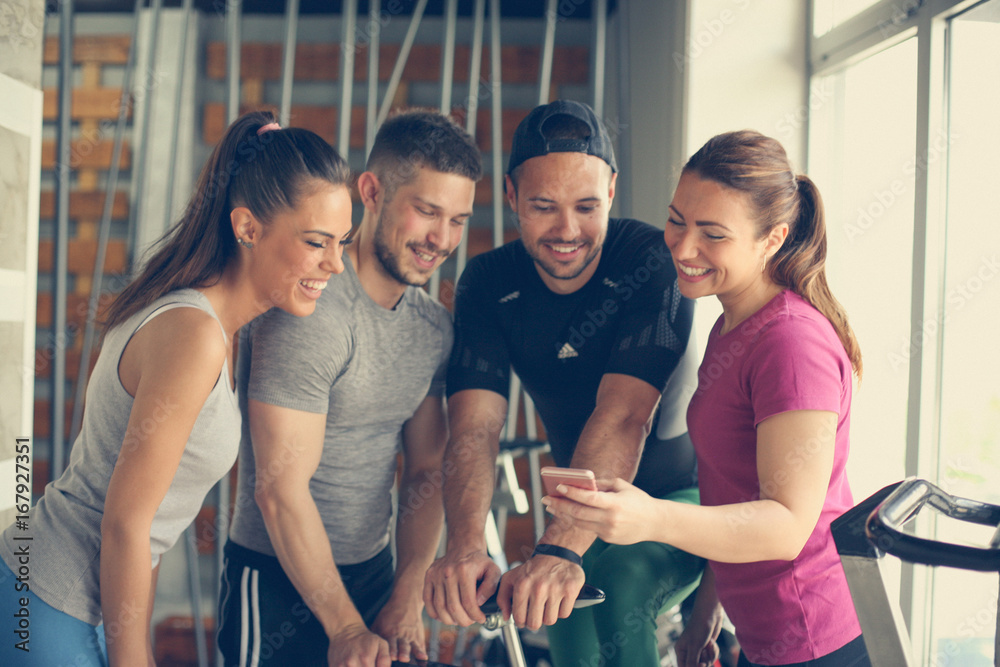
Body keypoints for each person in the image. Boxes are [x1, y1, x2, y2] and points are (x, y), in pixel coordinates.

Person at [0, 110, 353, 666]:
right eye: (316, 242)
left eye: (342, 242)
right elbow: (126, 522)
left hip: (71, 601)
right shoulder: (194, 336)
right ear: (248, 227)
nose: (334, 264)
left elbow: (148, 525)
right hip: (49, 600)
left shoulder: (214, 327)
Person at [544, 130, 871, 667]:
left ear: (773, 239)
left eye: (712, 234)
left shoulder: (791, 344)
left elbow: (787, 526)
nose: (683, 246)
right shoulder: (732, 325)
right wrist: (705, 611)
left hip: (818, 640)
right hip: (761, 636)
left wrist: (650, 519)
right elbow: (734, 489)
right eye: (677, 220)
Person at [423, 99, 703, 667]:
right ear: (510, 197)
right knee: (558, 619)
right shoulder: (488, 281)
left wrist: (556, 548)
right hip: (581, 512)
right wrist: (465, 547)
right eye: (544, 207)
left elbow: (624, 414)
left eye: (587, 206)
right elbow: (474, 426)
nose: (567, 231)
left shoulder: (650, 260)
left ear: (613, 191)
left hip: (679, 499)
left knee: (618, 578)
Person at [216, 109, 482, 667]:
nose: (441, 239)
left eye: (458, 220)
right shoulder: (307, 311)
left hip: (376, 574)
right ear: (372, 191)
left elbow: (429, 467)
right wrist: (344, 627)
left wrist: (408, 589)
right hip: (275, 582)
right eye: (427, 211)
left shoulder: (434, 329)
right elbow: (278, 491)